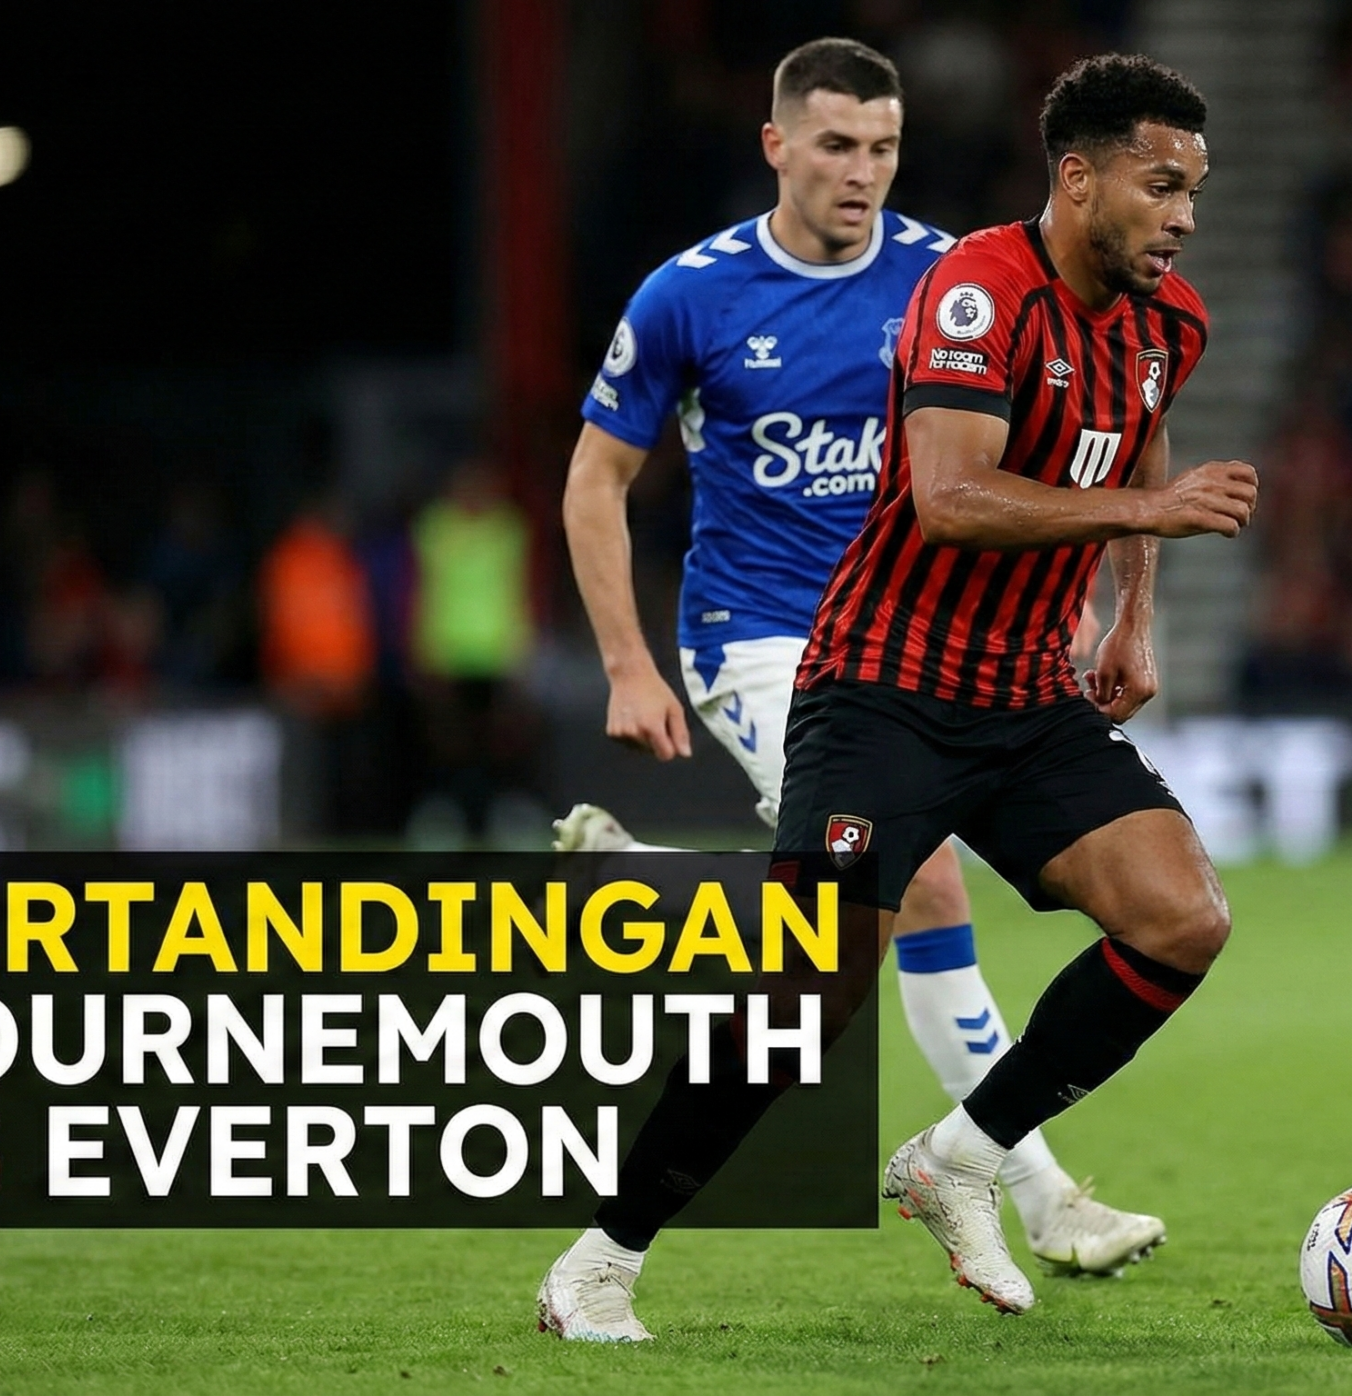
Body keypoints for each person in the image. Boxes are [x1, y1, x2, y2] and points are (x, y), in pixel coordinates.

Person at [537, 52, 1256, 1340]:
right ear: (1079, 178)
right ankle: (603, 1255)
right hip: (881, 690)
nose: (1183, 217)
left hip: (1026, 696)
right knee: (810, 1003)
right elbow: (950, 496)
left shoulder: (1170, 323)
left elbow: (1142, 423)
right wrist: (1153, 515)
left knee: (1181, 919)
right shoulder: (975, 289)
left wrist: (1134, 611)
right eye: (1162, 188)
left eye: (1194, 192)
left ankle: (963, 1159)